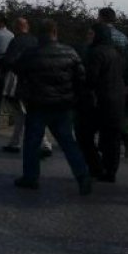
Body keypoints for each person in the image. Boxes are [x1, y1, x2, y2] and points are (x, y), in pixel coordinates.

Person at [14, 19, 92, 195]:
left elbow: (17, 69)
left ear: (38, 34)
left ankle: (31, 177)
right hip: (63, 104)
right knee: (68, 143)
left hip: (37, 104)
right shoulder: (69, 52)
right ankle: (82, 176)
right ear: (55, 32)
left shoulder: (30, 53)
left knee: (32, 143)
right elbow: (80, 78)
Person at [76, 23, 126, 182]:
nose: (88, 37)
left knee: (84, 135)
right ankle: (110, 171)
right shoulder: (115, 52)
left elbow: (91, 79)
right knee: (112, 139)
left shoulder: (95, 53)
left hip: (98, 101)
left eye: (91, 34)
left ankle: (96, 166)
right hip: (117, 99)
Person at [0, 17, 53, 156]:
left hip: (17, 82)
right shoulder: (35, 40)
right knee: (21, 114)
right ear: (27, 26)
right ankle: (15, 142)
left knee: (25, 113)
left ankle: (44, 144)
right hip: (35, 81)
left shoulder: (15, 41)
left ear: (16, 27)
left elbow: (9, 61)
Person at [98, 7, 128, 157]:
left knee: (102, 114)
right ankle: (122, 137)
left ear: (101, 18)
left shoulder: (99, 35)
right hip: (120, 79)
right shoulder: (123, 37)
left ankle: (107, 145)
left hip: (104, 79)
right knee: (114, 115)